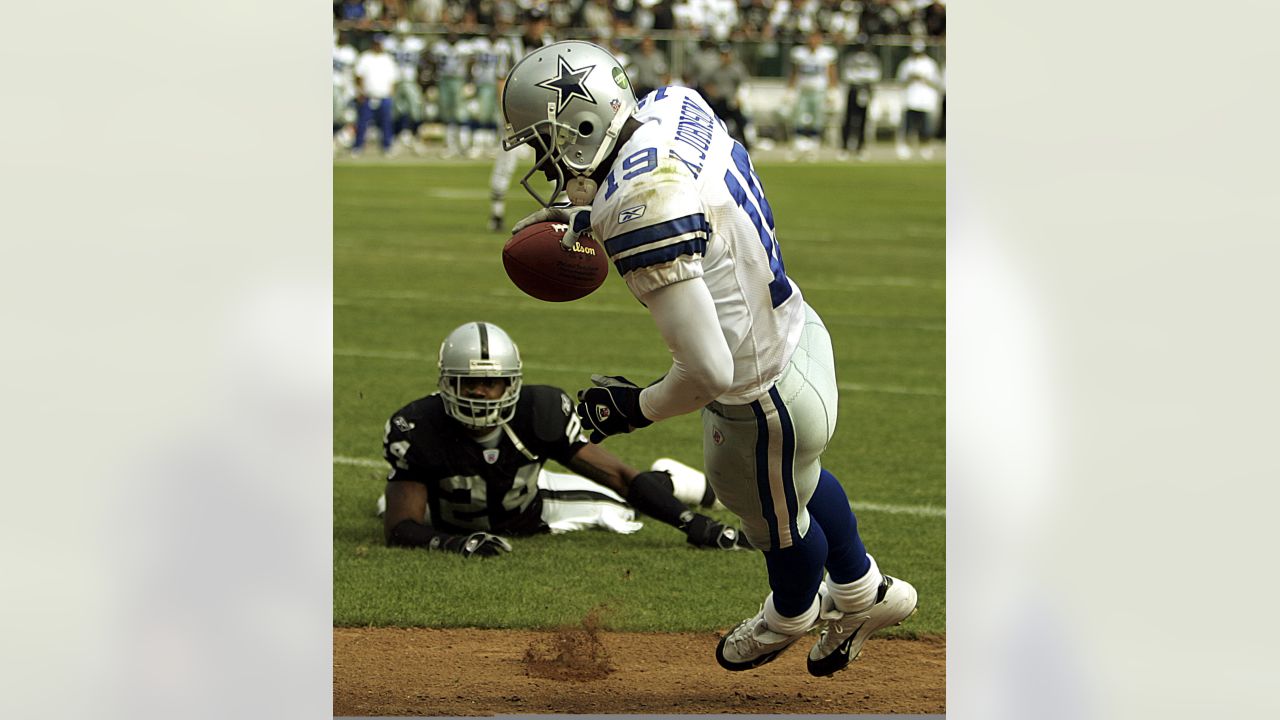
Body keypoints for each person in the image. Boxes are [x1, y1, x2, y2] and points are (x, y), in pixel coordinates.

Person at [499, 40, 918, 677]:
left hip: (760, 398)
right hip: (800, 333)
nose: (543, 156)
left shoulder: (639, 209)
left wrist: (631, 409)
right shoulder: (673, 105)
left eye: (545, 139)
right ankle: (864, 592)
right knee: (798, 479)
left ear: (580, 123)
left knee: (774, 524)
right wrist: (593, 208)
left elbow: (709, 372)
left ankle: (792, 612)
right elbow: (675, 189)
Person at [379, 321, 750, 557]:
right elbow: (400, 527)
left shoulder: (538, 411)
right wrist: (456, 543)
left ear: (511, 383)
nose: (479, 392)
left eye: (491, 382)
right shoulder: (418, 426)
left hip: (529, 506)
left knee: (621, 506)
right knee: (389, 503)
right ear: (446, 384)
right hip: (448, 511)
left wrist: (692, 523)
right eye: (468, 382)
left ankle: (677, 481)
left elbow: (619, 476)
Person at [486, 9, 554, 232]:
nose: (535, 26)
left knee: (556, 162)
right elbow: (501, 80)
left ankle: (563, 211)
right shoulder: (509, 47)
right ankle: (496, 213)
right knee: (506, 161)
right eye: (532, 21)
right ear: (525, 22)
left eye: (539, 21)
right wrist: (506, 114)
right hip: (517, 111)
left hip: (544, 113)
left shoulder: (550, 44)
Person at [787, 30, 838, 161]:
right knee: (798, 117)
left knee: (817, 119)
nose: (813, 41)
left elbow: (831, 72)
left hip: (819, 90)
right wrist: (790, 89)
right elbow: (794, 72)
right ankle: (798, 147)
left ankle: (813, 148)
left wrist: (832, 90)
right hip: (803, 90)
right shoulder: (799, 53)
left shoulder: (826, 53)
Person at [894, 39, 942, 160]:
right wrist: (911, 78)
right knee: (909, 126)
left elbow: (936, 82)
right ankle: (907, 147)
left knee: (926, 127)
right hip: (910, 99)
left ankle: (925, 147)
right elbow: (900, 81)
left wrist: (924, 79)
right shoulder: (906, 64)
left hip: (925, 100)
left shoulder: (930, 64)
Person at [386, 19, 428, 154]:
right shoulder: (390, 43)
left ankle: (416, 138)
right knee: (396, 112)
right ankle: (397, 139)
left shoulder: (416, 43)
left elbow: (426, 57)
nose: (402, 36)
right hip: (396, 81)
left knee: (416, 110)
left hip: (411, 80)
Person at [429, 28, 471, 158]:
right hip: (444, 80)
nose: (453, 36)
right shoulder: (440, 47)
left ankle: (463, 143)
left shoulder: (465, 47)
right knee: (446, 112)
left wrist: (469, 79)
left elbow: (471, 61)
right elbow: (430, 59)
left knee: (460, 111)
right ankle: (449, 144)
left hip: (458, 80)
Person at [352, 34, 398, 156]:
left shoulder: (388, 59)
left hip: (384, 96)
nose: (377, 46)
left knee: (386, 123)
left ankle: (387, 147)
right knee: (362, 123)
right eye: (376, 43)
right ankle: (358, 146)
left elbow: (393, 79)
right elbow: (358, 76)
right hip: (368, 96)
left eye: (380, 44)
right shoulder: (365, 58)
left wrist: (391, 94)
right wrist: (360, 92)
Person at [838, 36, 882, 161]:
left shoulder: (872, 59)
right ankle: (845, 147)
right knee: (848, 118)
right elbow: (847, 75)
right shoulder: (851, 59)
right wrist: (862, 77)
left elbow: (875, 75)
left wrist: (861, 77)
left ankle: (860, 147)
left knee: (863, 120)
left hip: (865, 90)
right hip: (853, 89)